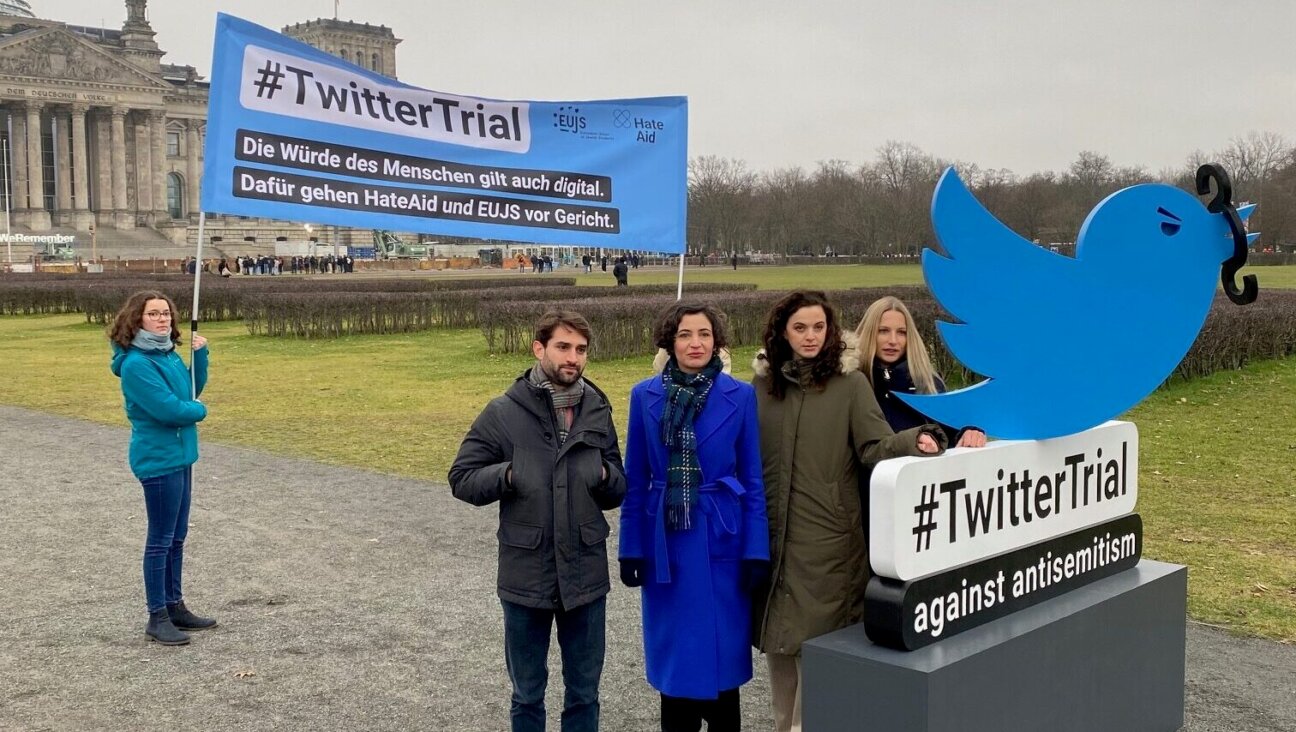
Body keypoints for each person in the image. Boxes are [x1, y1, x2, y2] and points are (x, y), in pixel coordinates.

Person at [751, 290, 945, 732]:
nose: (810, 336)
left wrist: (916, 440)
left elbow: (874, 444)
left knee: (815, 656)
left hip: (827, 543)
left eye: (819, 327)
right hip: (774, 537)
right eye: (800, 327)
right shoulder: (763, 387)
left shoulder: (849, 384)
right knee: (780, 650)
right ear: (782, 331)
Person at [449, 310, 627, 732]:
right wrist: (508, 474)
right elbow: (461, 477)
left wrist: (603, 475)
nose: (573, 358)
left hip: (584, 574)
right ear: (539, 348)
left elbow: (619, 485)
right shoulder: (503, 412)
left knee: (584, 693)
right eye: (563, 347)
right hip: (525, 574)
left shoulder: (597, 408)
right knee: (527, 695)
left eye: (581, 349)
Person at [619, 303, 769, 732]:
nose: (695, 343)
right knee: (677, 668)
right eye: (685, 334)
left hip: (723, 537)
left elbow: (753, 478)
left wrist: (755, 550)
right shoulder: (643, 395)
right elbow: (636, 477)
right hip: (667, 545)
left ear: (716, 341)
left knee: (723, 672)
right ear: (671, 342)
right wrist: (631, 547)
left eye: (704, 334)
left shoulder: (739, 396)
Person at [108, 291, 217, 646]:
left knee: (177, 536)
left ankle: (175, 605)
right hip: (158, 459)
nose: (163, 319)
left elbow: (189, 390)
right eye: (154, 314)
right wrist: (199, 412)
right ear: (136, 319)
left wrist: (199, 357)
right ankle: (157, 615)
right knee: (160, 539)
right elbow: (171, 410)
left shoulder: (168, 355)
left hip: (182, 456)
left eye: (166, 313)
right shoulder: (138, 364)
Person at [854, 296, 987, 448]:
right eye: (883, 331)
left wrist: (968, 432)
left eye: (901, 332)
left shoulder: (928, 383)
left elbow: (949, 434)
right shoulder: (852, 384)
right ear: (870, 333)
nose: (893, 340)